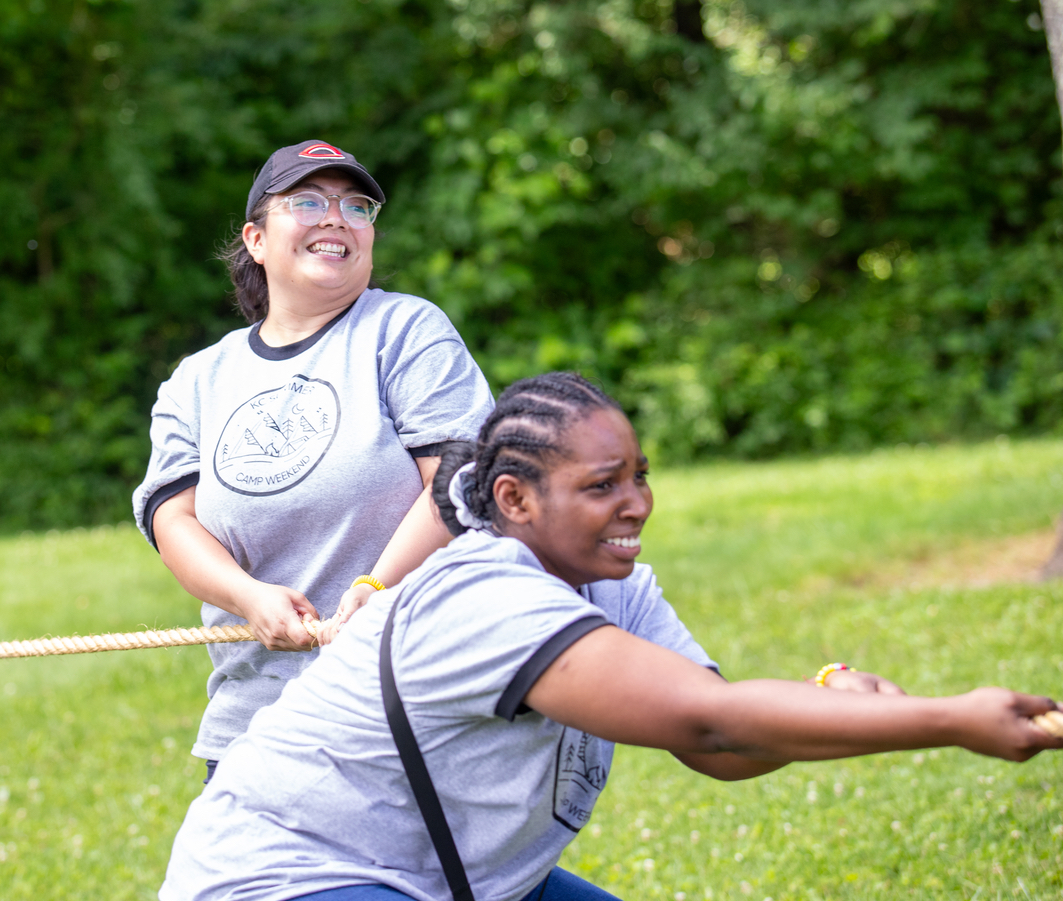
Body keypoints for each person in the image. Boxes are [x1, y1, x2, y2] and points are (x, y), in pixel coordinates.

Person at [156, 372, 1062, 901]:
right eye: (603, 486)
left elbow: (717, 737)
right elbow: (714, 724)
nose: (636, 504)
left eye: (640, 475)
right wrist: (953, 719)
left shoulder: (616, 587)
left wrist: (824, 703)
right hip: (285, 877)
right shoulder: (481, 597)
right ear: (514, 500)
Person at [132, 139, 494, 773]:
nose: (336, 217)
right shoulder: (197, 379)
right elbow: (173, 520)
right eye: (307, 201)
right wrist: (248, 598)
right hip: (257, 731)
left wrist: (376, 587)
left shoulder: (405, 332)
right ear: (256, 240)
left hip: (406, 709)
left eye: (356, 207)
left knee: (464, 879)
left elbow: (460, 482)